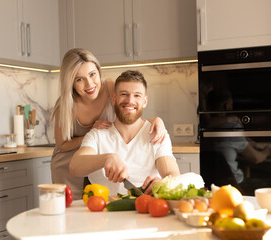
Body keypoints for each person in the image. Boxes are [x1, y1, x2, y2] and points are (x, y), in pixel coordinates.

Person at [51, 49, 168, 200]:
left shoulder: (110, 87)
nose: (89, 84)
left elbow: (129, 112)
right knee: (73, 210)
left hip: (98, 160)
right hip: (68, 164)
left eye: (92, 74)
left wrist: (156, 121)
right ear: (71, 83)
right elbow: (62, 144)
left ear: (99, 72)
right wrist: (91, 133)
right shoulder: (65, 105)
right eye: (79, 79)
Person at [70, 70, 181, 195]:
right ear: (114, 98)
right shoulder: (98, 134)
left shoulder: (156, 134)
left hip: (145, 210)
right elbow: (75, 167)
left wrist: (162, 183)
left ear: (145, 101)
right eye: (124, 94)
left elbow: (172, 174)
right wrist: (107, 158)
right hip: (102, 211)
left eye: (137, 95)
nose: (130, 101)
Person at [206, 89, 271, 185]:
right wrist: (267, 151)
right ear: (227, 106)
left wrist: (244, 140)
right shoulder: (232, 127)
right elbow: (256, 158)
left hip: (210, 182)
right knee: (268, 183)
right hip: (232, 183)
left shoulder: (204, 127)